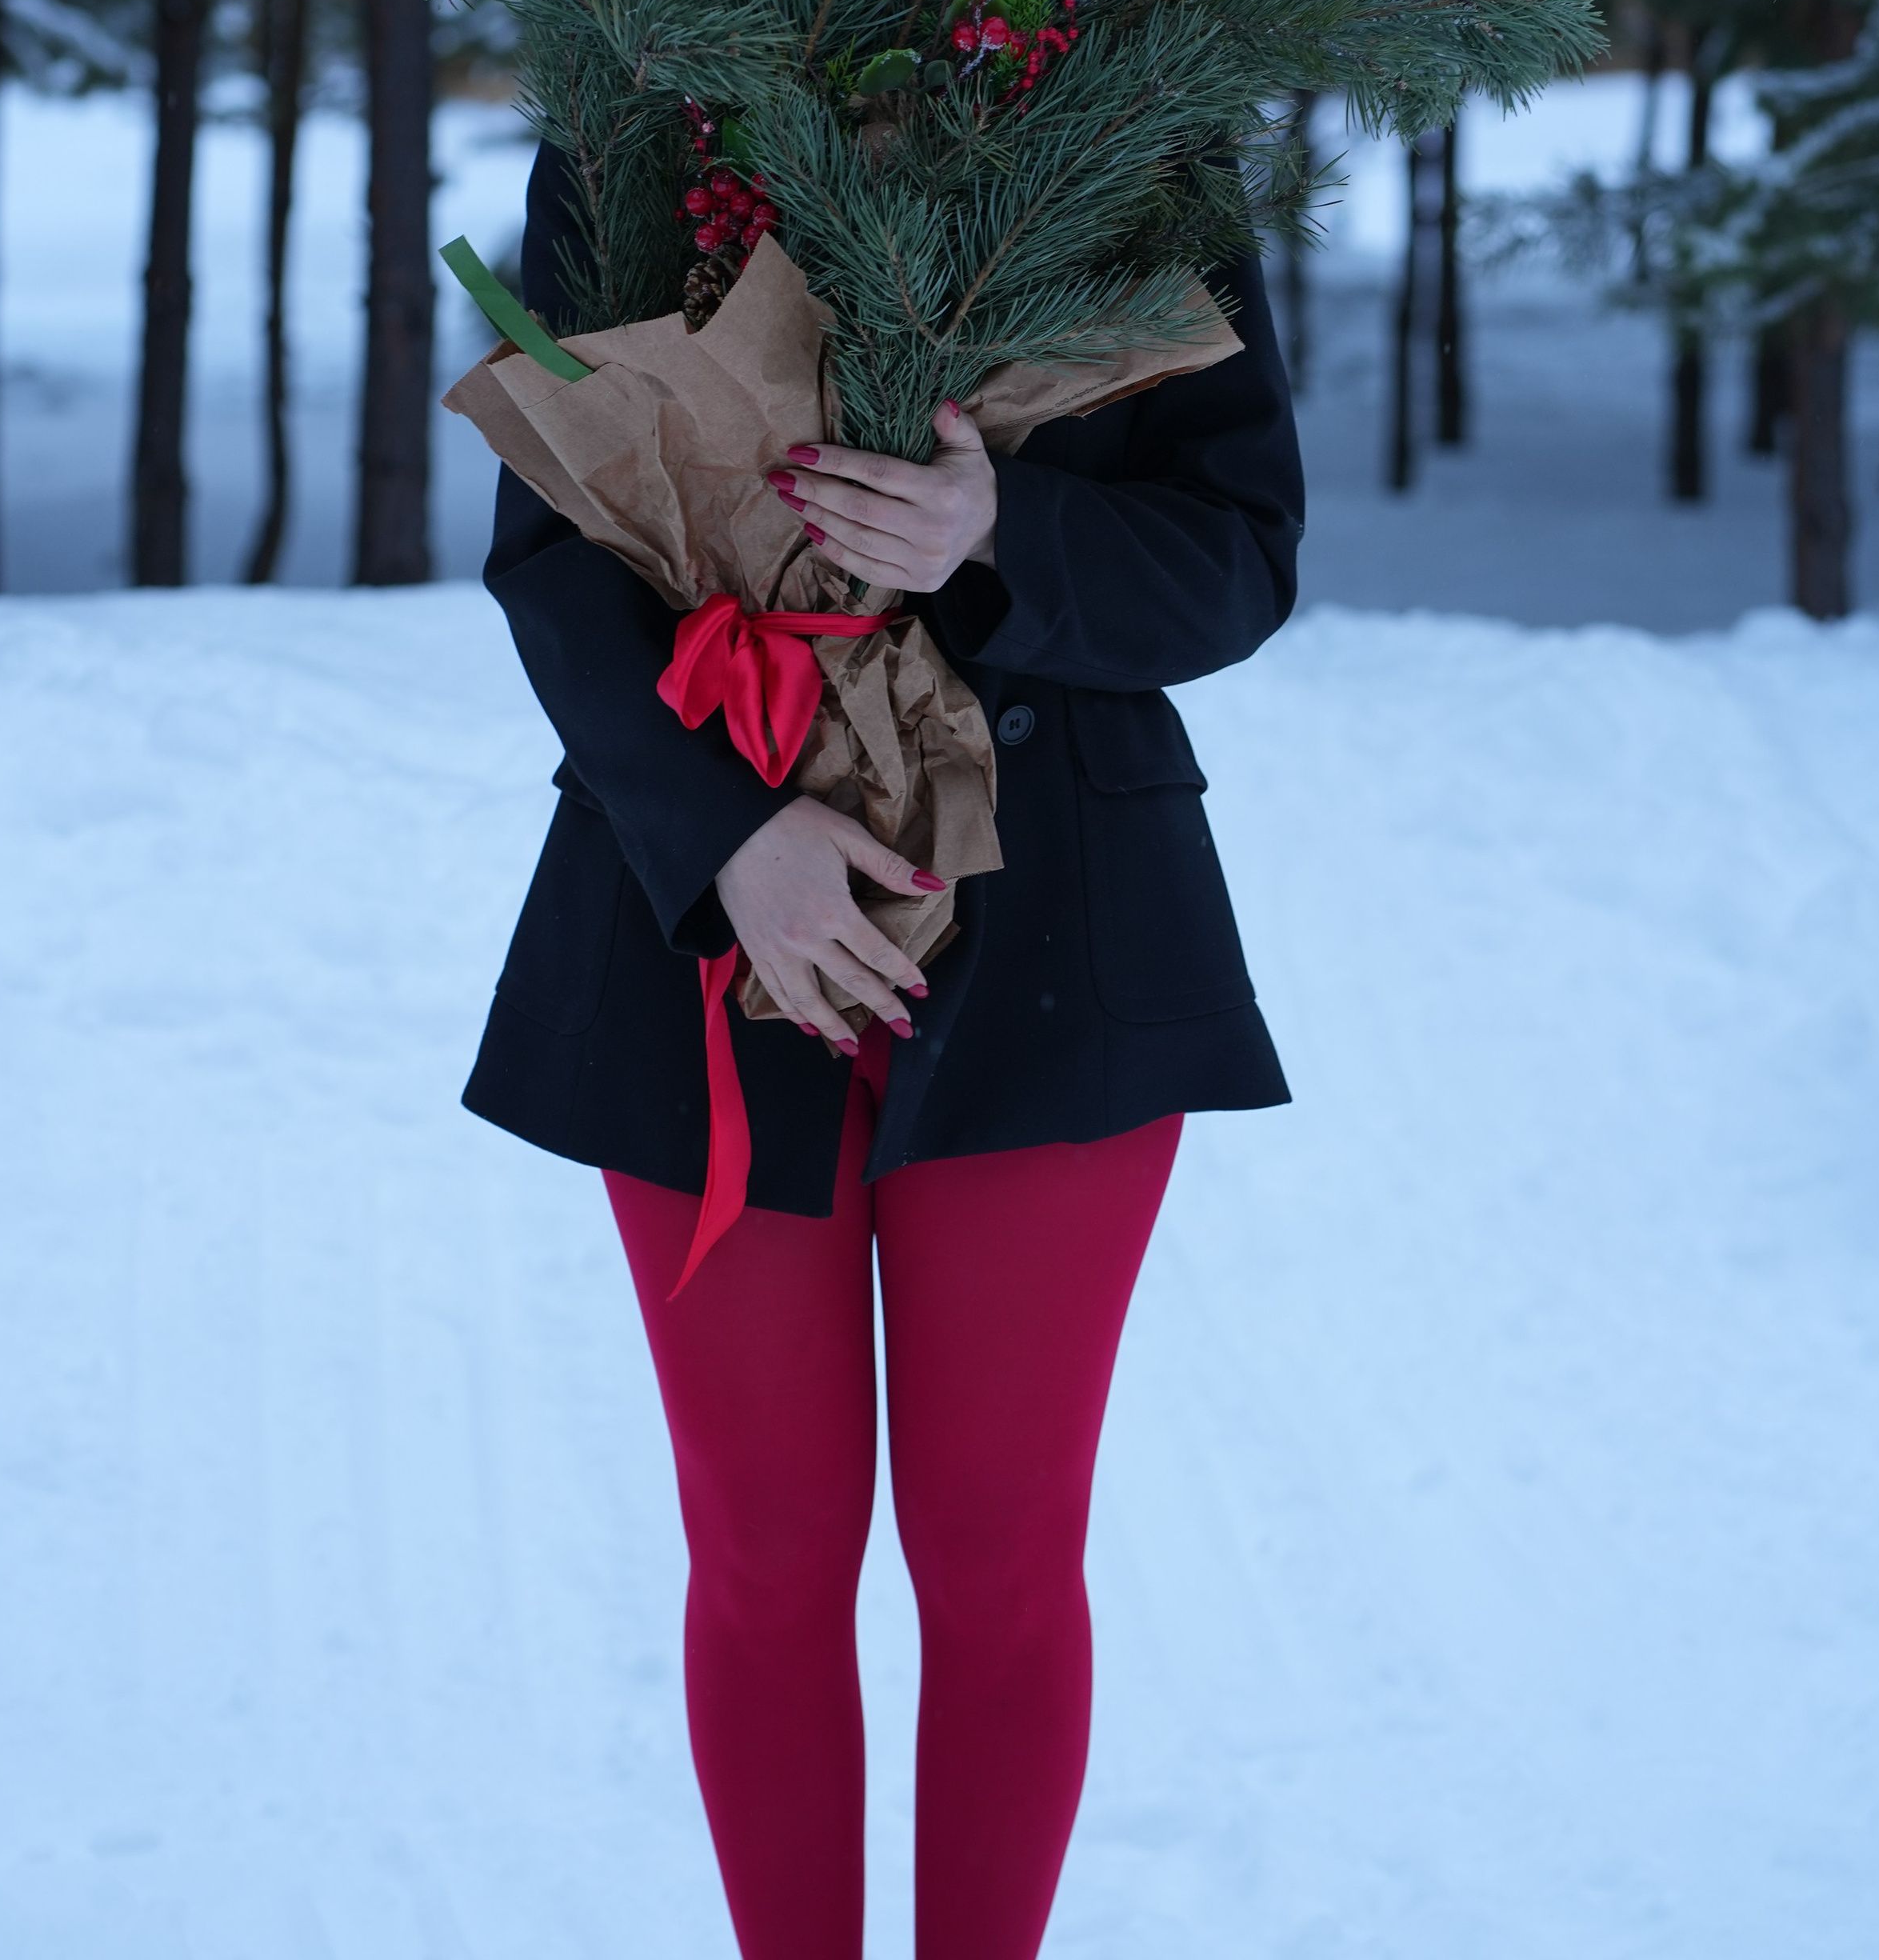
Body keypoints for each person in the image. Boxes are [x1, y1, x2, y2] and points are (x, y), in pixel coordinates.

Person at [463, 144, 1303, 1960]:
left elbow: (1240, 554)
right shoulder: (638, 96)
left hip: (1059, 932)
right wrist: (718, 839)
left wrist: (997, 531)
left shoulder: (1136, 98)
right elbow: (549, 549)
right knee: (765, 1563)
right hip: (710, 929)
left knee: (997, 1568)